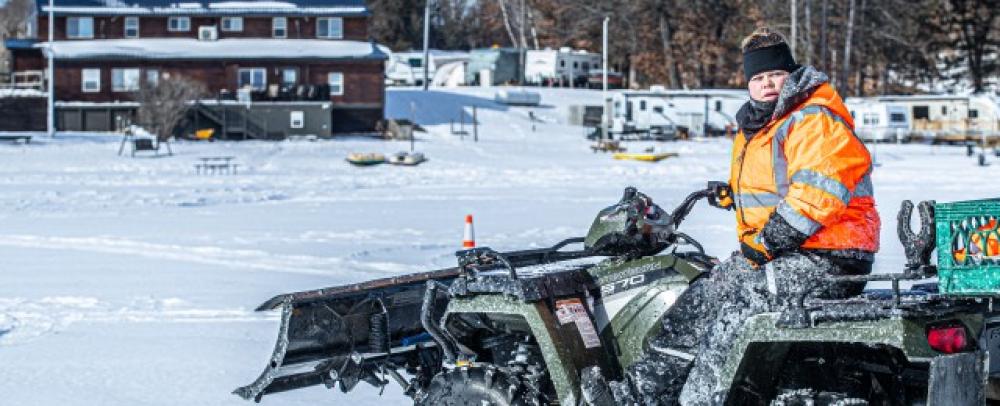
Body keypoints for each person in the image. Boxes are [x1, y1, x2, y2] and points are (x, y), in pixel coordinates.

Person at [582, 27, 880, 406]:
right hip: (787, 252)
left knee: (737, 318)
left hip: (830, 256)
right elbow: (781, 187)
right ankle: (639, 397)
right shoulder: (760, 125)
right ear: (749, 85)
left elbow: (819, 192)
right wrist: (734, 197)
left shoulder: (812, 119)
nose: (768, 85)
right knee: (700, 300)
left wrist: (767, 242)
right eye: (758, 78)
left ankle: (700, 400)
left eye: (775, 75)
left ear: (792, 75)